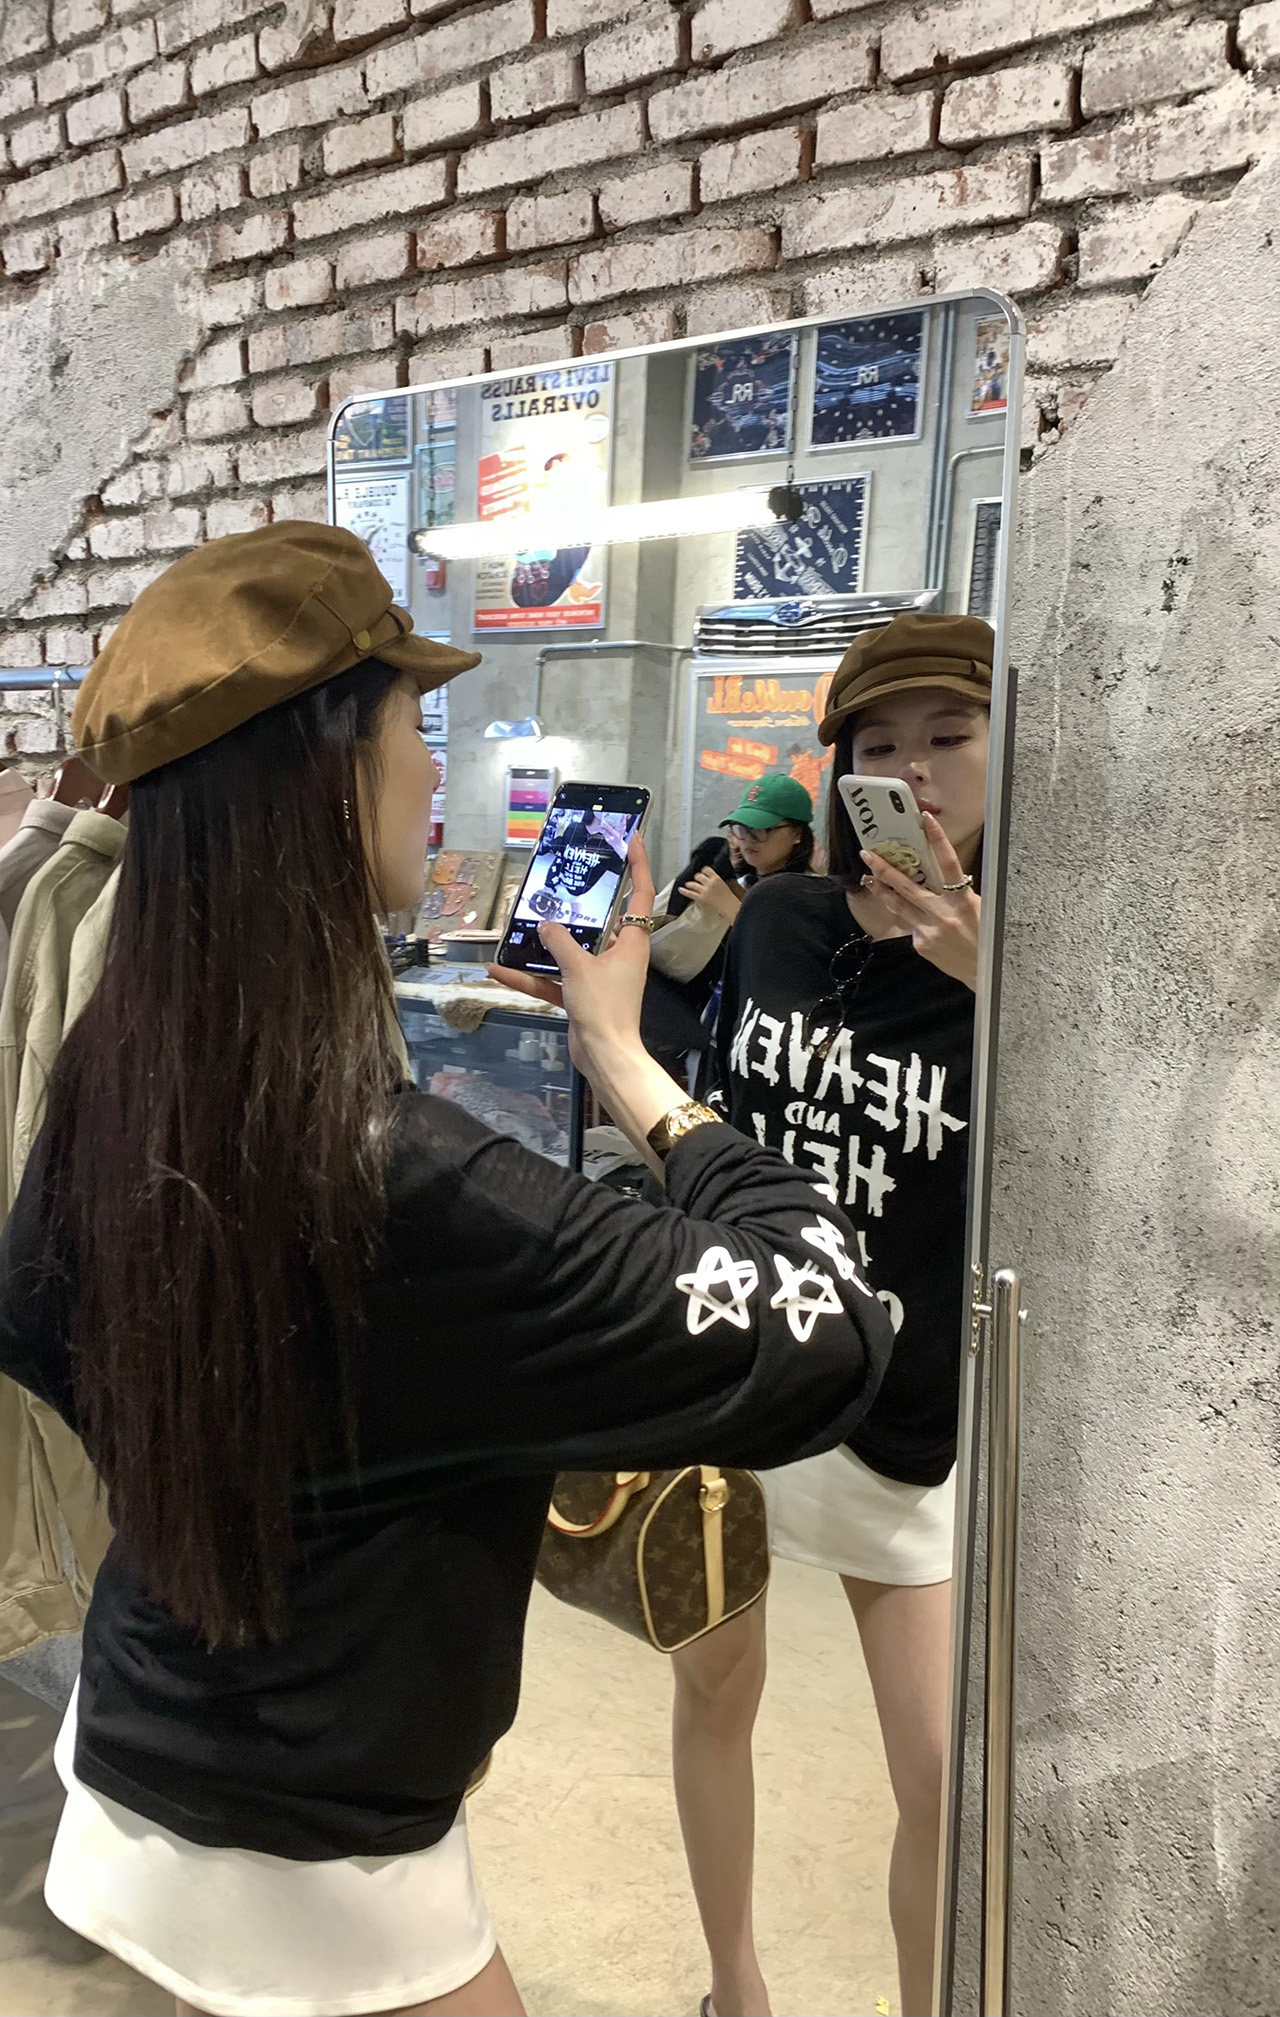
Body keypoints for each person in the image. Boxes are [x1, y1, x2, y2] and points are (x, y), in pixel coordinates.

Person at [0, 522, 895, 2017]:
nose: (428, 768)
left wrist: (278, 1458)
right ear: (335, 768)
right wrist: (628, 1064)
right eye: (414, 723)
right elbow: (830, 1318)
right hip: (326, 1860)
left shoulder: (126, 1070)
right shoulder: (413, 1184)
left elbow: (21, 1319)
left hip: (135, 1771)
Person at [672, 612, 991, 2017]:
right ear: (838, 769)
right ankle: (734, 1985)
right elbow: (721, 1119)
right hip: (747, 1367)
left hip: (906, 1403)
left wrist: (992, 982)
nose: (913, 771)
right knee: (712, 1691)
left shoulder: (1025, 963)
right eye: (878, 745)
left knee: (937, 1776)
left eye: (949, 736)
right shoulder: (781, 920)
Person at [640, 775, 814, 1086]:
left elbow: (790, 965)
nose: (747, 840)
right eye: (740, 828)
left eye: (762, 830)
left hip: (766, 1041)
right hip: (714, 1027)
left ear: (797, 834)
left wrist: (729, 908)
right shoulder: (738, 882)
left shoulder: (810, 893)